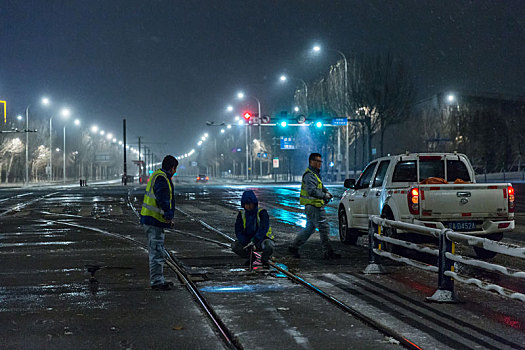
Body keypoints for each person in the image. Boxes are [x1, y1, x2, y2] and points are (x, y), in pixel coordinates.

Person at [288, 153, 341, 259]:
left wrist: (325, 191)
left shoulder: (314, 174)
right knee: (324, 228)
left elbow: (319, 186)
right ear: (311, 161)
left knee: (309, 228)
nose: (319, 163)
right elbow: (312, 191)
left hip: (312, 206)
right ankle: (328, 252)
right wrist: (324, 195)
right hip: (314, 206)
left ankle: (294, 247)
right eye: (317, 161)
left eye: (320, 161)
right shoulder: (309, 175)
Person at [140, 155, 178, 290]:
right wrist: (168, 216)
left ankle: (158, 279)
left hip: (151, 219)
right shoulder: (162, 179)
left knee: (157, 250)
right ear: (172, 167)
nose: (175, 172)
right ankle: (156, 282)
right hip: (154, 220)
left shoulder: (158, 175)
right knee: (156, 251)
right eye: (175, 169)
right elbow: (163, 199)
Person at [231, 190, 275, 267]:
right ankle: (251, 258)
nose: (248, 206)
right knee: (235, 245)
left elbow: (263, 228)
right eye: (246, 204)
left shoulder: (262, 212)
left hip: (261, 240)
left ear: (254, 203)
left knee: (269, 245)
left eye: (250, 204)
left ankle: (264, 259)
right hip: (248, 242)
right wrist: (245, 242)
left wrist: (254, 240)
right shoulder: (242, 214)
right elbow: (238, 230)